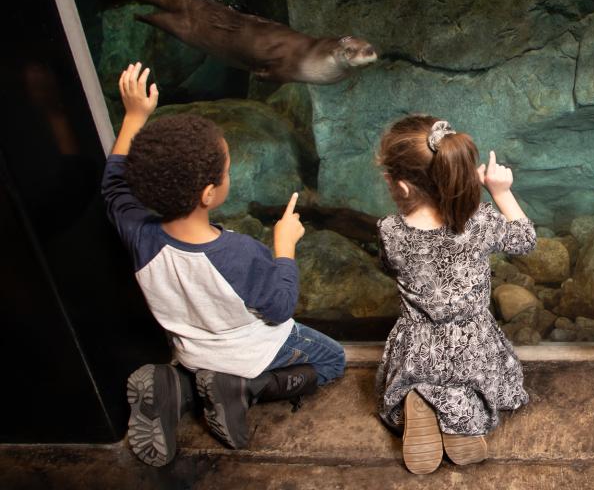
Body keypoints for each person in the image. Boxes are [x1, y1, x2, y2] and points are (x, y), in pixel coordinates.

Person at [102, 62, 345, 465]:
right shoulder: (238, 253)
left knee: (198, 369)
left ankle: (179, 387)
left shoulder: (138, 234)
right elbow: (280, 306)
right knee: (331, 360)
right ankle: (246, 389)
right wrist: (285, 246)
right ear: (209, 193)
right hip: (255, 352)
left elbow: (113, 184)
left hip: (191, 352)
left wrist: (134, 116)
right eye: (228, 170)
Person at [374, 116, 537, 474]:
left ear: (401, 186)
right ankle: (460, 411)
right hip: (472, 345)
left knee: (423, 372)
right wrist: (501, 190)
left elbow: (389, 266)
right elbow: (525, 239)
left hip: (416, 350)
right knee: (476, 382)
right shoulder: (479, 221)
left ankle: (419, 395)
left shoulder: (389, 230)